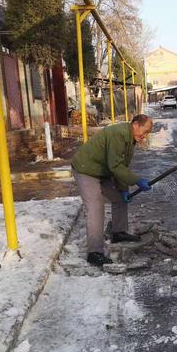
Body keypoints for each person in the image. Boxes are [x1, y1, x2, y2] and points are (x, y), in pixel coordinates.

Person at [71, 114, 153, 267]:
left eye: (147, 133)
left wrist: (123, 189)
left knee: (120, 199)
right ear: (135, 124)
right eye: (145, 131)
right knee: (95, 207)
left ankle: (119, 233)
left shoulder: (130, 139)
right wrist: (137, 180)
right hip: (85, 170)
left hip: (103, 171)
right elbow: (115, 166)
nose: (145, 135)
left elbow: (121, 167)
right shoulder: (119, 134)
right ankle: (94, 253)